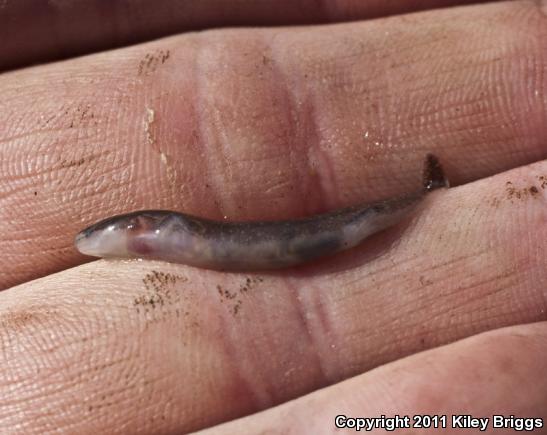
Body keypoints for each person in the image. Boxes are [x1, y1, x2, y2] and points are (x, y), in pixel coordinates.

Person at [0, 1, 545, 433]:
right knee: (348, 230)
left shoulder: (168, 230)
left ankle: (428, 193)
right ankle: (426, 194)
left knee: (352, 227)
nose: (103, 241)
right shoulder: (168, 238)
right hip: (303, 239)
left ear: (140, 230)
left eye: (111, 234)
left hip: (335, 230)